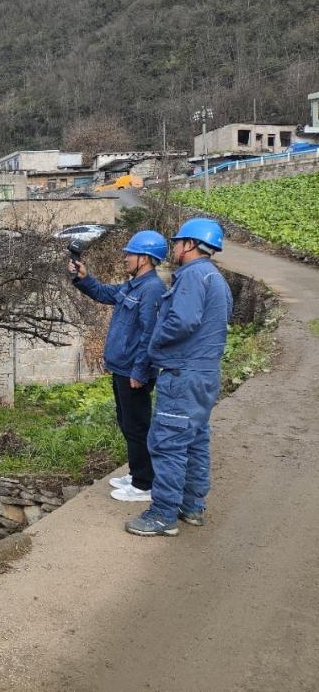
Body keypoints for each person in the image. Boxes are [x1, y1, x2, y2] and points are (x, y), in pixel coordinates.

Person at [126, 218, 233, 537]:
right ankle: (191, 506)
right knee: (195, 440)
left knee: (168, 443)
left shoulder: (191, 277)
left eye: (177, 242)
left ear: (190, 245)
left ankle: (163, 514)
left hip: (183, 375)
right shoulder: (216, 278)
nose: (173, 248)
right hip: (204, 375)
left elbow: (181, 322)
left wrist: (155, 344)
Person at [70, 230, 167, 503]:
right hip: (122, 368)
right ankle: (138, 473)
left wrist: (140, 371)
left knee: (137, 426)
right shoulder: (133, 285)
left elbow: (150, 334)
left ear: (145, 259)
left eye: (130, 254)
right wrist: (83, 277)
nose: (125, 258)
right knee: (126, 422)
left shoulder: (152, 290)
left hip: (133, 372)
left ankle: (144, 484)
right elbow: (104, 293)